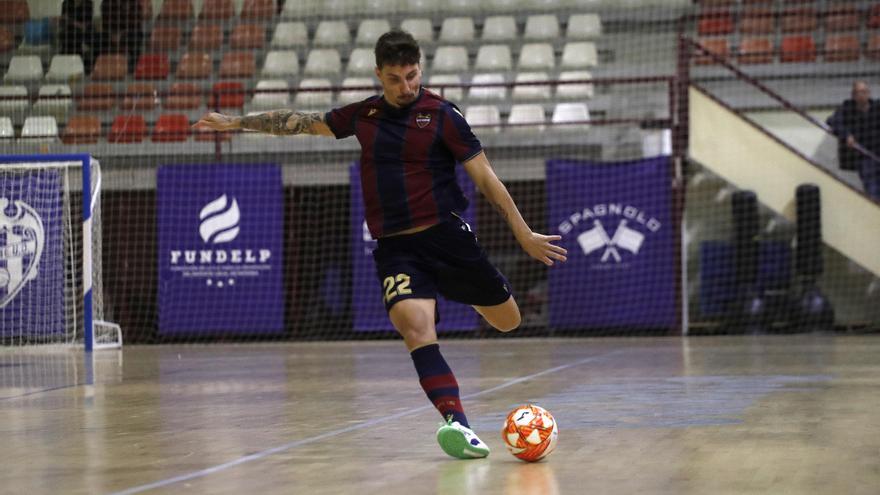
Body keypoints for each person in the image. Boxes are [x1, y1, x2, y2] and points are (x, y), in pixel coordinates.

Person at [195, 30, 567, 459]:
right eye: (395, 78)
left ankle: (458, 289)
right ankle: (458, 426)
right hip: (396, 248)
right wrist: (238, 121)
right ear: (379, 75)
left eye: (411, 76)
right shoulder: (364, 115)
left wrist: (523, 232)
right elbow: (302, 121)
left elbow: (486, 178)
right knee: (416, 330)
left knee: (509, 321)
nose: (405, 87)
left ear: (420, 69)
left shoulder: (444, 115)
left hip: (447, 239)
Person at [827, 80, 880, 200]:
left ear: (869, 93)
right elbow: (832, 120)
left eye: (864, 92)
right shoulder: (847, 107)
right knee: (873, 191)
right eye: (858, 92)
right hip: (865, 156)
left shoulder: (877, 107)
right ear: (853, 95)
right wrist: (847, 135)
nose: (861, 95)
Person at [100, 0, 144, 73]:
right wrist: (113, 34)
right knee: (100, 38)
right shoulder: (106, 3)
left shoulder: (135, 3)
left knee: (136, 35)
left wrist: (121, 34)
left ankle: (133, 67)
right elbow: (106, 22)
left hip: (128, 32)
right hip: (111, 32)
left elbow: (136, 23)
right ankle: (101, 67)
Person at [59, 0, 95, 72]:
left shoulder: (88, 4)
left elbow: (86, 25)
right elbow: (63, 21)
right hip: (69, 33)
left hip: (83, 33)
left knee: (76, 37)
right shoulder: (66, 3)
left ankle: (81, 66)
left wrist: (71, 21)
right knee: (67, 36)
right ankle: (66, 66)